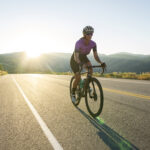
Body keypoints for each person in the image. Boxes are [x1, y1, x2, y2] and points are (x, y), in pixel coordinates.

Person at [70, 26, 106, 102]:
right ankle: (73, 93)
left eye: (91, 33)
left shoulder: (93, 44)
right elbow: (76, 57)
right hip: (75, 59)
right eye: (88, 33)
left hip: (83, 57)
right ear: (84, 34)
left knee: (90, 69)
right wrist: (81, 64)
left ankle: (86, 84)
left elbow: (96, 56)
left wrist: (101, 62)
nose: (90, 35)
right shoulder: (78, 43)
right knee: (78, 77)